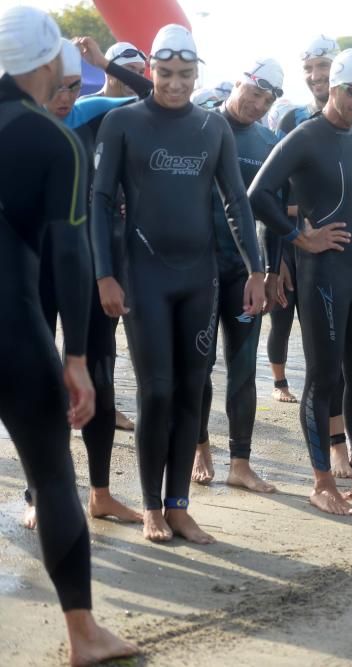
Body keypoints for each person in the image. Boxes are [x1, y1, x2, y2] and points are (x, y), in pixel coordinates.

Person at [0, 7, 139, 663]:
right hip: (12, 325)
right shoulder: (53, 140)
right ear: (45, 63)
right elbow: (70, 256)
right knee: (53, 476)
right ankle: (83, 635)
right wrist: (77, 357)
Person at [91, 24, 266, 543]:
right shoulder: (122, 122)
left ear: (197, 74)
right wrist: (105, 274)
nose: (174, 84)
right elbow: (100, 202)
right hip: (143, 277)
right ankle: (149, 505)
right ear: (150, 71)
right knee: (158, 392)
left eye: (185, 75)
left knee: (193, 390)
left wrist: (255, 269)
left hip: (200, 277)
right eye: (165, 74)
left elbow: (237, 200)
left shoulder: (211, 127)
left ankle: (179, 505)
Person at [249, 48, 352, 513]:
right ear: (333, 88)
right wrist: (298, 237)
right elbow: (258, 194)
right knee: (323, 379)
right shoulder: (304, 136)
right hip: (324, 277)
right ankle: (322, 482)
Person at [27, 38, 151, 531]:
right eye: (56, 87)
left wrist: (107, 66)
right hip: (32, 274)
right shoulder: (16, 126)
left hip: (90, 270)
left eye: (75, 86)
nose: (66, 97)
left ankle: (100, 493)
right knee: (40, 386)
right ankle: (40, 494)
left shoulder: (93, 112)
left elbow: (162, 96)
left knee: (98, 379)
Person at [192, 58, 288, 494]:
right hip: (195, 269)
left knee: (243, 369)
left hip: (245, 272)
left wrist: (270, 269)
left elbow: (272, 211)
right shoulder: (200, 126)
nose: (257, 103)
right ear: (238, 84)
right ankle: (200, 446)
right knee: (198, 365)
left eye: (266, 99)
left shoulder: (268, 140)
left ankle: (241, 462)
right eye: (254, 92)